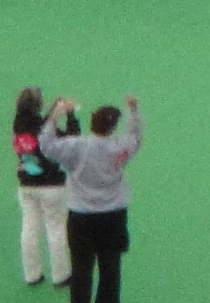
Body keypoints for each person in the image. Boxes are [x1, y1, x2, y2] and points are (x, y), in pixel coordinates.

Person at [39, 97, 140, 303]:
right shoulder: (120, 147)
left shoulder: (76, 146)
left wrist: (54, 116)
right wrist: (133, 111)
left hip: (81, 217)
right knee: (111, 269)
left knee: (81, 269)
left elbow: (47, 146)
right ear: (112, 128)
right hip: (113, 217)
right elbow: (135, 137)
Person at [12, 86, 75, 289]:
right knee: (56, 229)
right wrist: (69, 114)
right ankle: (60, 275)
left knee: (29, 228)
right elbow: (70, 138)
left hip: (26, 183)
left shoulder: (18, 124)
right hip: (51, 184)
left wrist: (52, 112)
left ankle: (32, 274)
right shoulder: (44, 127)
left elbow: (40, 125)